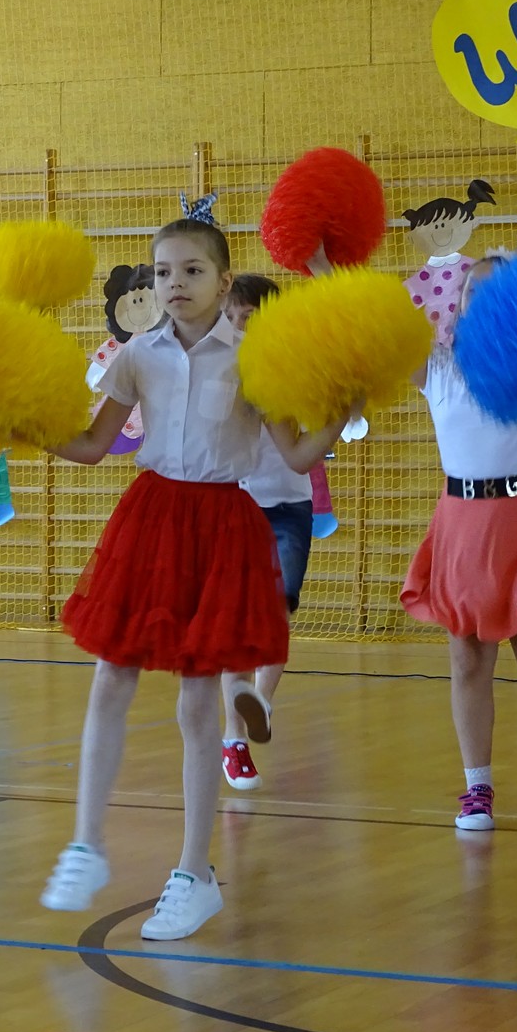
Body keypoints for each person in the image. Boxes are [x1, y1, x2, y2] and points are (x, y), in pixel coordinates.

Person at [38, 211, 346, 941]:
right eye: (163, 271)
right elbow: (92, 445)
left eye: (192, 270)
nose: (175, 283)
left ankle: (192, 872)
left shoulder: (254, 359)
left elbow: (298, 457)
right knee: (111, 676)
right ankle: (85, 843)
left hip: (221, 523)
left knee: (198, 698)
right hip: (151, 517)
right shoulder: (137, 355)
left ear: (224, 281)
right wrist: (24, 423)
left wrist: (346, 408)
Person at [401, 253, 517, 836]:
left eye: (499, 291)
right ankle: (477, 789)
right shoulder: (437, 368)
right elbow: (371, 328)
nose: (484, 301)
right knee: (468, 662)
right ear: (457, 307)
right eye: (473, 292)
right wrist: (322, 265)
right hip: (464, 523)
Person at [217, 274, 317, 789]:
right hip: (235, 505)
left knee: (278, 613)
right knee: (236, 625)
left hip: (290, 506)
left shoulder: (294, 369)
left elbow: (312, 434)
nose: (239, 325)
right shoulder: (216, 371)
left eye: (249, 316)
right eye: (230, 317)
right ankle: (233, 741)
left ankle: (260, 702)